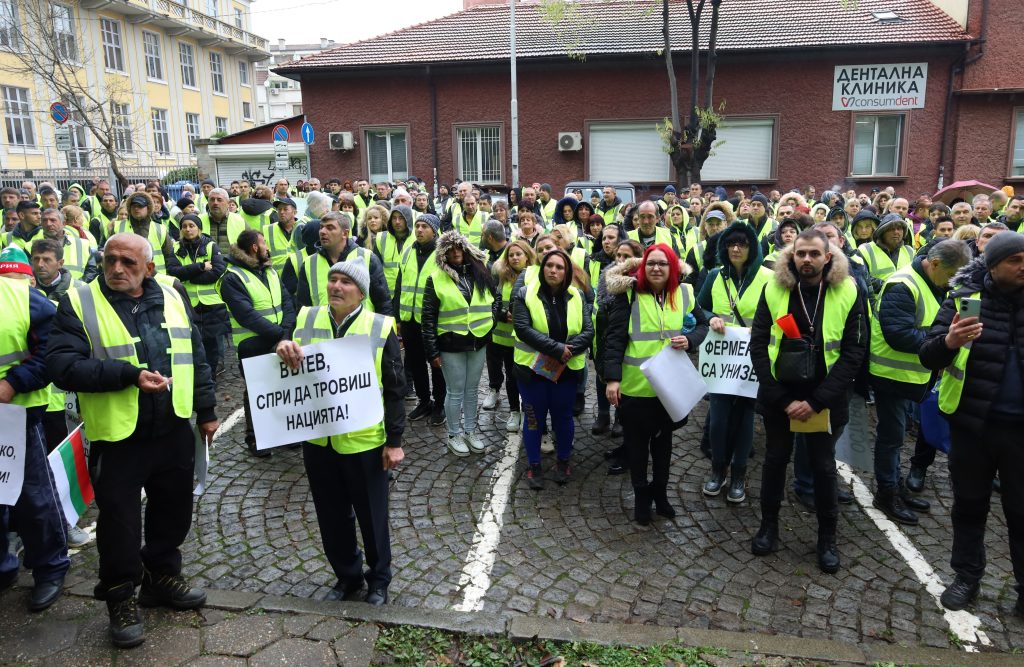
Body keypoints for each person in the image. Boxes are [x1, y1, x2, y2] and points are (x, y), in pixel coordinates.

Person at [47, 233, 219, 647]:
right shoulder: (80, 301)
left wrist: (208, 408)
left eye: (127, 262)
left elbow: (193, 353)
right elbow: (62, 366)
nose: (117, 269)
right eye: (110, 260)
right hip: (118, 437)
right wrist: (126, 375)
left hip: (173, 427)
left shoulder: (174, 295)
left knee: (173, 511)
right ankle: (121, 597)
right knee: (119, 525)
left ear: (149, 268)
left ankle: (161, 577)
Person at [276, 261, 405, 606]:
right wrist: (283, 346)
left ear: (360, 292)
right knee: (331, 515)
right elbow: (283, 345)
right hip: (318, 439)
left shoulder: (378, 326)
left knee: (372, 516)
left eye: (345, 281)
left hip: (364, 441)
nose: (335, 286)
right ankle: (347, 576)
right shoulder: (306, 317)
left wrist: (395, 442)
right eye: (332, 279)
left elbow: (395, 387)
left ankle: (379, 580)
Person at [749, 229, 867, 574]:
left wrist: (816, 402)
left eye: (814, 254)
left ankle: (827, 538)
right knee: (774, 461)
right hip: (780, 396)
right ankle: (768, 526)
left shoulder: (847, 289)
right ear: (791, 255)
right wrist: (783, 400)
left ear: (827, 256)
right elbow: (759, 345)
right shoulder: (774, 287)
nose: (807, 260)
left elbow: (854, 351)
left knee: (823, 467)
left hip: (824, 397)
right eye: (801, 253)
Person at [919, 232, 1024, 614]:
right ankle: (966, 577)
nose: (1023, 266)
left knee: (1021, 510)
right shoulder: (964, 299)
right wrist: (948, 342)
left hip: (1020, 432)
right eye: (1016, 259)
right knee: (969, 504)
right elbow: (927, 356)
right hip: (972, 427)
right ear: (993, 266)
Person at [868, 240, 972, 525]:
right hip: (891, 376)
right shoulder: (903, 284)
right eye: (952, 277)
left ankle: (895, 487)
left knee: (897, 437)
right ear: (935, 264)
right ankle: (886, 494)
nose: (953, 284)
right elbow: (898, 334)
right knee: (891, 439)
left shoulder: (933, 283)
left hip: (911, 375)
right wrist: (942, 344)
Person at [604, 243, 708, 524]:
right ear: (643, 267)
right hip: (636, 388)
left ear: (672, 267)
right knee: (637, 447)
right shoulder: (629, 296)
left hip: (670, 388)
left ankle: (660, 494)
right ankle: (641, 497)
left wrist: (691, 340)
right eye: (651, 263)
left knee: (664, 446)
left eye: (663, 263)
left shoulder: (684, 293)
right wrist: (612, 379)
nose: (656, 268)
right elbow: (613, 339)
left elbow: (702, 325)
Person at [0, 251, 71, 613]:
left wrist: (12, 384)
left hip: (15, 416)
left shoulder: (25, 298)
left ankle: (49, 567)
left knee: (32, 497)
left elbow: (51, 354)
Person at [696, 222, 773, 501]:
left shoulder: (768, 277)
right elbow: (699, 307)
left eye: (742, 244)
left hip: (753, 360)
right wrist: (710, 317)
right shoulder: (716, 275)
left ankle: (739, 474)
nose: (736, 248)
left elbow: (779, 313)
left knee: (745, 420)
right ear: (724, 248)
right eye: (731, 244)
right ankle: (718, 471)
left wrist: (762, 329)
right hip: (721, 361)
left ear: (752, 247)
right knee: (717, 421)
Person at [512, 248, 594, 489]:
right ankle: (534, 464)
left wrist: (568, 350)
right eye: (549, 265)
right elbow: (522, 328)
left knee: (563, 418)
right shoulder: (525, 294)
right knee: (534, 420)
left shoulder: (577, 295)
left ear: (567, 271)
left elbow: (588, 331)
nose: (554, 270)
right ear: (542, 267)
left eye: (560, 267)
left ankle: (563, 461)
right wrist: (557, 348)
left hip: (566, 373)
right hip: (532, 372)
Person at [217, 229, 296, 457]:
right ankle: (256, 439)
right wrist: (280, 334)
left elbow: (287, 302)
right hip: (253, 343)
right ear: (254, 247)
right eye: (263, 243)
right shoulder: (233, 277)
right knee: (257, 392)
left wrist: (285, 334)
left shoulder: (269, 271)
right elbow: (246, 315)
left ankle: (285, 434)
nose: (267, 248)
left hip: (278, 339)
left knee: (283, 388)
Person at [421, 232, 494, 456]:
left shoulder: (480, 272)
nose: (455, 252)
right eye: (450, 249)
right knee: (454, 392)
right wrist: (432, 351)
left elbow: (494, 298)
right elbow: (428, 317)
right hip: (451, 344)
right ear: (443, 254)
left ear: (466, 249)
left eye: (459, 248)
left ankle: (470, 431)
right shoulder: (435, 278)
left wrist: (493, 322)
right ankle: (454, 435)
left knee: (471, 391)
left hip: (478, 341)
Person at [396, 214, 447, 426]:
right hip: (409, 319)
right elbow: (400, 284)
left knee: (436, 364)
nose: (419, 230)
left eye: (424, 226)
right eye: (417, 226)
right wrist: (397, 316)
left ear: (434, 231)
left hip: (433, 321)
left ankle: (439, 405)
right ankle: (424, 400)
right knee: (415, 363)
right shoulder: (408, 251)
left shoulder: (442, 255)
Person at [173, 214, 229, 375]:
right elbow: (174, 272)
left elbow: (218, 270)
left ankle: (211, 377)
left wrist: (189, 277)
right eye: (185, 226)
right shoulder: (176, 248)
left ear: (199, 228)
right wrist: (200, 267)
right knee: (193, 344)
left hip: (211, 303)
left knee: (212, 345)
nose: (188, 229)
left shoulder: (211, 246)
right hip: (187, 303)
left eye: (192, 226)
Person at [490, 240, 536, 433]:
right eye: (511, 255)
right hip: (507, 338)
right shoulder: (502, 278)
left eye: (519, 254)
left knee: (528, 377)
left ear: (527, 256)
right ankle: (514, 411)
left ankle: (528, 410)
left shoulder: (534, 277)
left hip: (528, 340)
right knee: (511, 376)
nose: (515, 258)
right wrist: (502, 314)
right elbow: (494, 304)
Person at [375, 205, 416, 299]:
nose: (397, 222)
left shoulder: (416, 238)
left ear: (408, 219)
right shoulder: (381, 238)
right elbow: (376, 269)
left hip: (409, 295)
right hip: (386, 294)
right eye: (394, 218)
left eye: (401, 218)